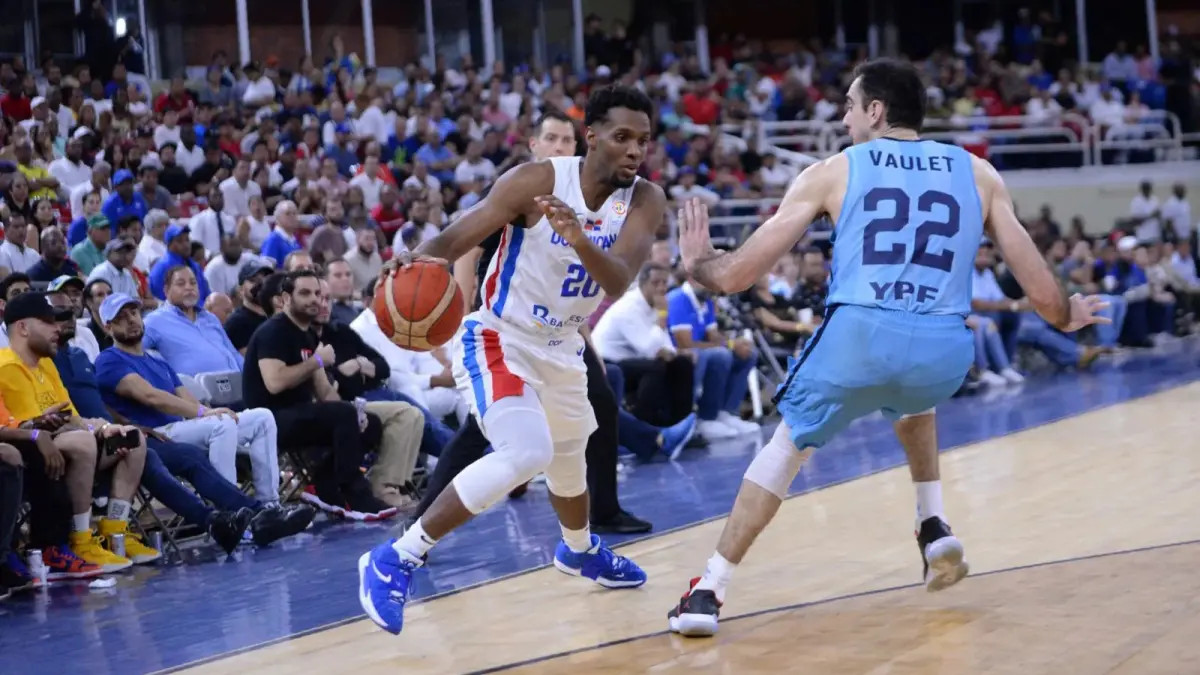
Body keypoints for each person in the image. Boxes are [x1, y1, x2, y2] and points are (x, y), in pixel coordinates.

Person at [662, 58, 1112, 638]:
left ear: (875, 111)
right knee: (911, 392)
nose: (845, 120)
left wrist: (699, 262)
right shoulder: (979, 174)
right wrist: (1066, 315)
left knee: (787, 445)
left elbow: (739, 275)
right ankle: (932, 523)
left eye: (850, 107)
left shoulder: (832, 171)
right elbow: (1040, 288)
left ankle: (708, 589)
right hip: (946, 353)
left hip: (859, 340)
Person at [358, 86, 666, 635]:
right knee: (528, 452)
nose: (634, 150)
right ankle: (396, 556)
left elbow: (617, 279)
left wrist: (576, 237)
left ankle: (578, 551)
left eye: (642, 140)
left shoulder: (645, 200)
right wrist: (410, 264)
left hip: (565, 346)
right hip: (502, 336)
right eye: (622, 137)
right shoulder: (536, 181)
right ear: (591, 136)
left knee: (570, 458)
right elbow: (458, 236)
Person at [411, 110, 656, 533]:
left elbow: (579, 279)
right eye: (553, 139)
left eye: (567, 140)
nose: (562, 147)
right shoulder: (526, 184)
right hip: (504, 328)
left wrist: (584, 340)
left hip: (559, 335)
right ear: (535, 145)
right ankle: (419, 527)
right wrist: (458, 314)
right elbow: (464, 248)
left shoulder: (618, 195)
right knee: (483, 436)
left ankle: (595, 523)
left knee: (592, 412)